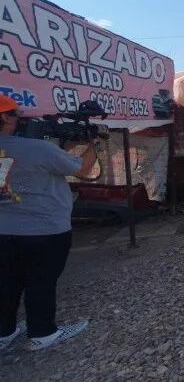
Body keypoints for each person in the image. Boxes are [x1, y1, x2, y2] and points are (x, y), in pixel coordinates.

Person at [0, 94, 97, 351]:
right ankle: (43, 333)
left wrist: (63, 147)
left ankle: (4, 333)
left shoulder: (35, 150)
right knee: (41, 281)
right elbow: (84, 169)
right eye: (15, 114)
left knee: (6, 282)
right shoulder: (38, 148)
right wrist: (94, 145)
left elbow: (22, 163)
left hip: (3, 230)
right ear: (5, 118)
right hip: (45, 230)